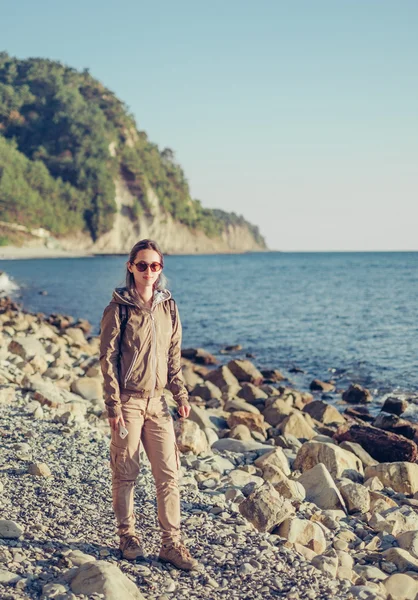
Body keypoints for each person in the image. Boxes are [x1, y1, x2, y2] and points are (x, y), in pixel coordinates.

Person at [100, 239, 198, 570]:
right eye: (142, 265)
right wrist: (112, 405)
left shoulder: (168, 306)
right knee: (126, 473)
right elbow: (108, 360)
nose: (148, 272)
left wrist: (180, 394)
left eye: (155, 266)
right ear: (130, 267)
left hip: (157, 404)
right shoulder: (118, 309)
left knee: (168, 474)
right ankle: (127, 536)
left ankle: (171, 544)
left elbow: (173, 355)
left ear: (161, 269)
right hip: (127, 403)